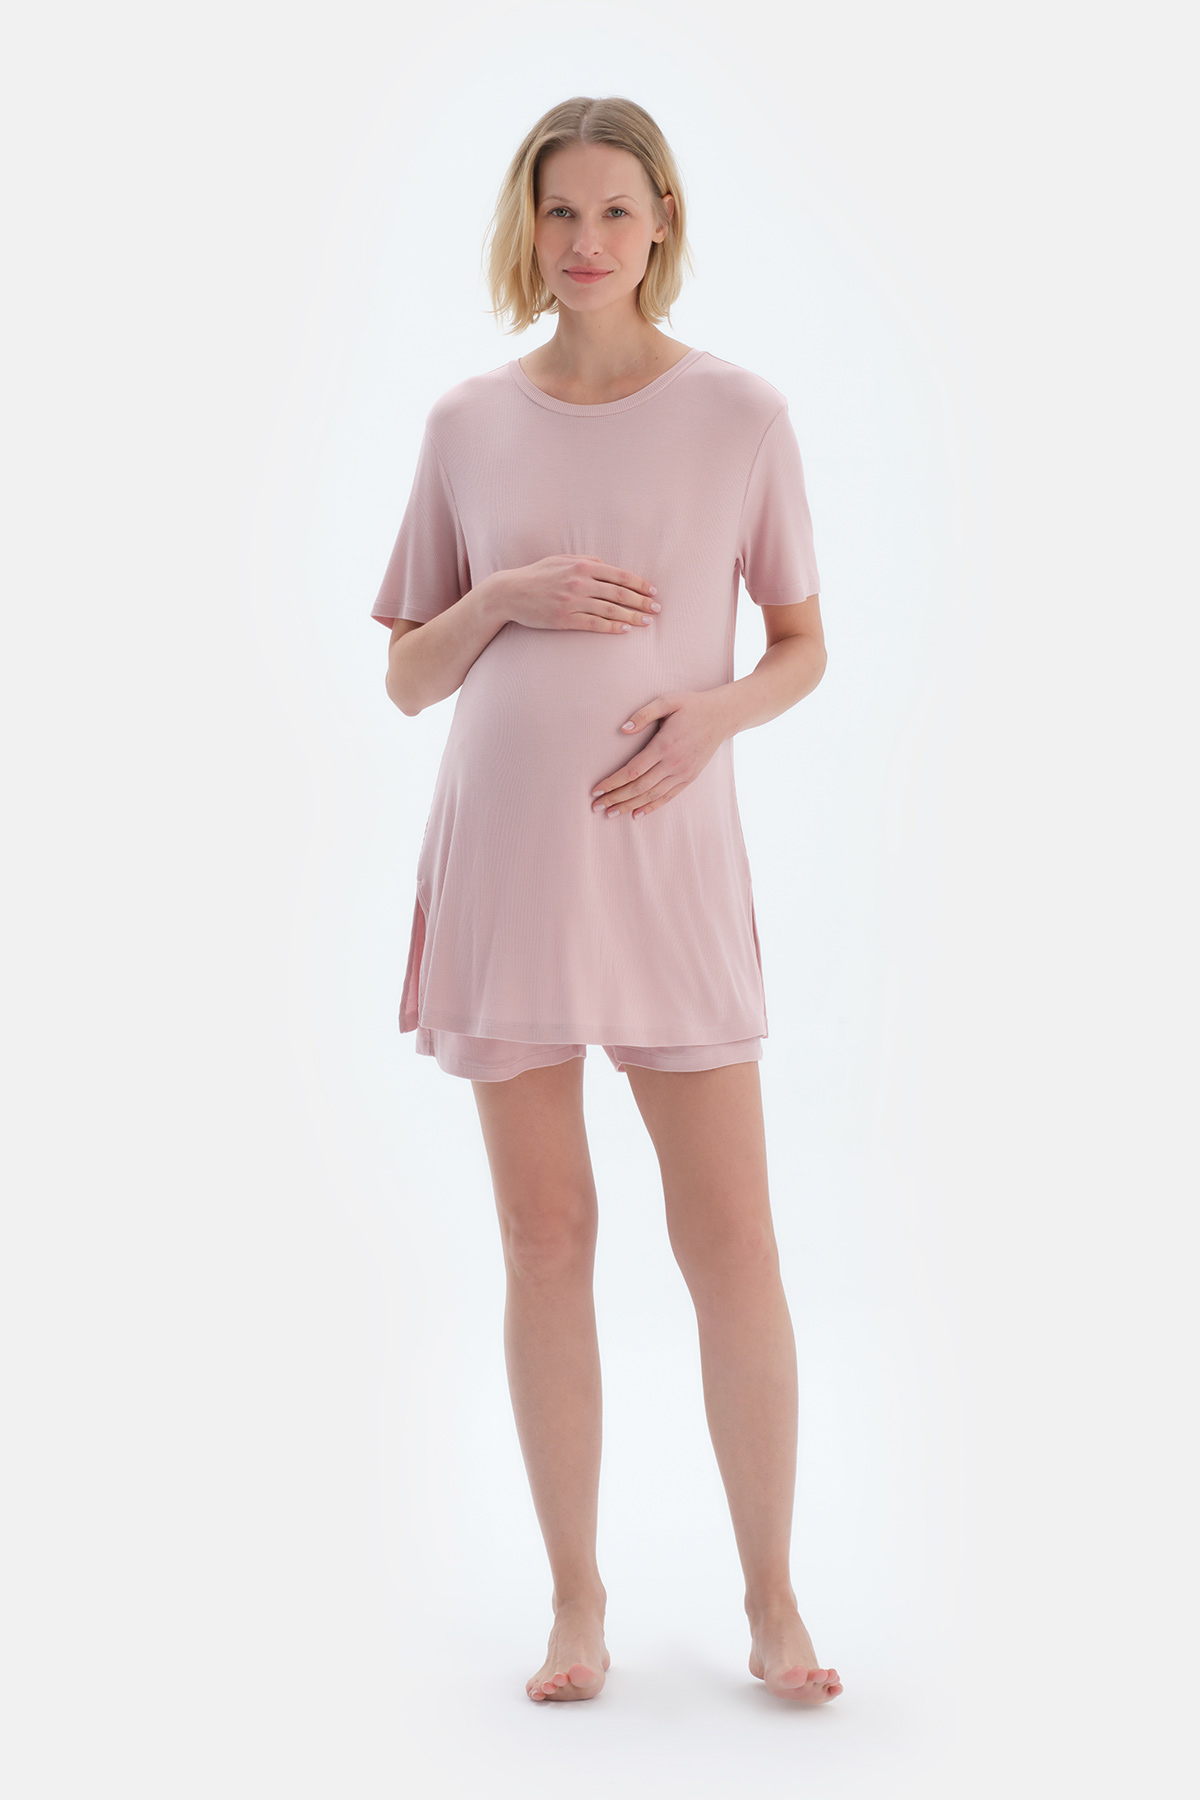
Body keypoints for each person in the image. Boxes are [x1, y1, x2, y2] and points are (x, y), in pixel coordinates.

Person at [371, 95, 840, 1707]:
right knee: (544, 1234)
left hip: (666, 861)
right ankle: (577, 1603)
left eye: (615, 213)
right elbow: (407, 678)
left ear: (662, 224)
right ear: (530, 223)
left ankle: (773, 1602)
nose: (586, 240)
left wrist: (712, 717)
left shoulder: (739, 414)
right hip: (508, 867)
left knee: (732, 1238)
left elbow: (803, 645)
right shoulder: (466, 424)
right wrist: (506, 593)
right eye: (560, 211)